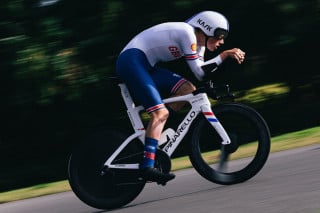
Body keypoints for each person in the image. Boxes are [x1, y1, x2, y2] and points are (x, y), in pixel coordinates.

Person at [116, 11, 245, 185]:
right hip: (131, 61)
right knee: (160, 113)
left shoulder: (200, 46)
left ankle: (152, 134)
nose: (222, 42)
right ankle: (147, 167)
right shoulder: (187, 33)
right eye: (219, 36)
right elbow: (200, 71)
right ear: (205, 30)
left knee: (188, 89)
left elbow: (201, 74)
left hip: (145, 65)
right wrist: (224, 55)